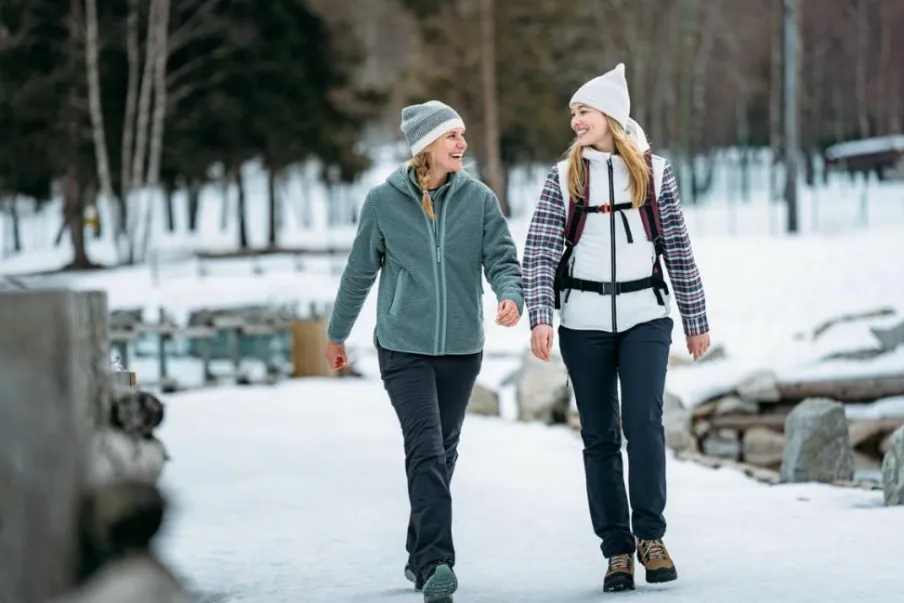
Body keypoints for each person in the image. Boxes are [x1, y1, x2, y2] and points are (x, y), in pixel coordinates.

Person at [325, 100, 524, 603]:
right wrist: (336, 334)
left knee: (443, 452)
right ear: (426, 146)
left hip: (461, 350)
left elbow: (502, 258)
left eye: (462, 135)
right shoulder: (383, 202)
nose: (462, 144)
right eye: (451, 136)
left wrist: (510, 294)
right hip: (403, 348)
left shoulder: (478, 200)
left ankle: (419, 552)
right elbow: (358, 273)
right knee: (427, 448)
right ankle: (438, 562)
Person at [522, 63, 711, 593]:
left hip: (645, 316)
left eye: (583, 111)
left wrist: (695, 320)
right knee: (599, 436)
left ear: (610, 116)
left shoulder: (654, 173)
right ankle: (618, 551)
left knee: (644, 424)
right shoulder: (563, 178)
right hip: (582, 323)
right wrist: (541, 316)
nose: (576, 120)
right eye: (574, 112)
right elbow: (538, 251)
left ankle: (651, 536)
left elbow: (677, 247)